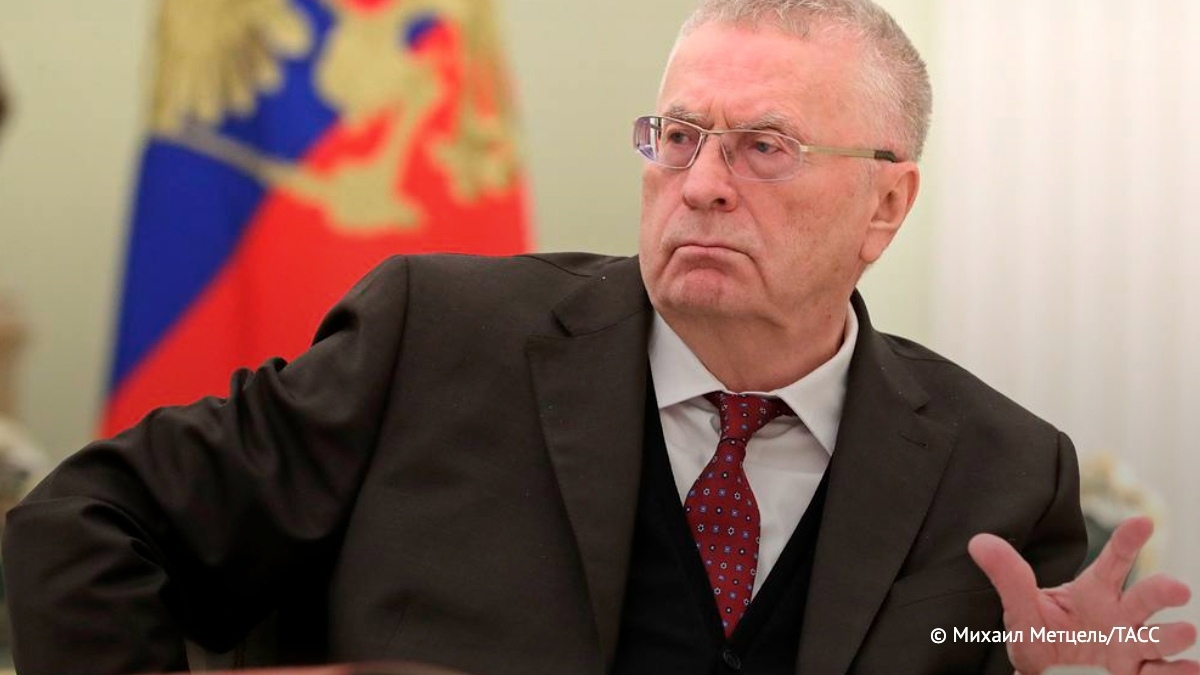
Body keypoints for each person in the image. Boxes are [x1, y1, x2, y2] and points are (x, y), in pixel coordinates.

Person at [3, 1, 1196, 674]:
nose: (703, 183)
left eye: (764, 147)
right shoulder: (435, 342)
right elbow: (85, 524)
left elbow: (991, 651)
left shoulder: (1001, 470)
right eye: (678, 137)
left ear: (886, 204)